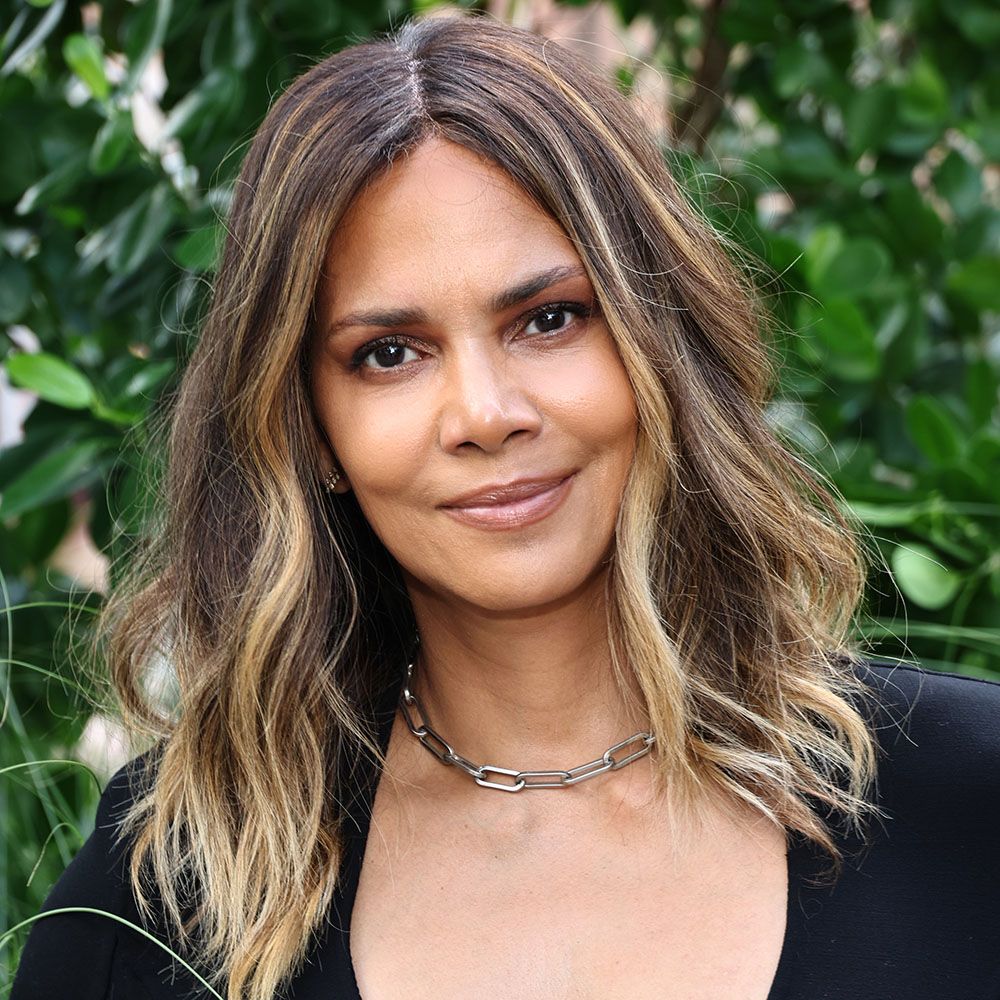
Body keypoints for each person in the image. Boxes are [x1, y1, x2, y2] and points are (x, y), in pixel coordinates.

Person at [11, 10, 1000, 1000]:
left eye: (548, 318)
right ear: (311, 430)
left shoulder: (969, 801)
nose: (483, 414)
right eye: (389, 353)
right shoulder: (174, 890)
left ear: (660, 344)